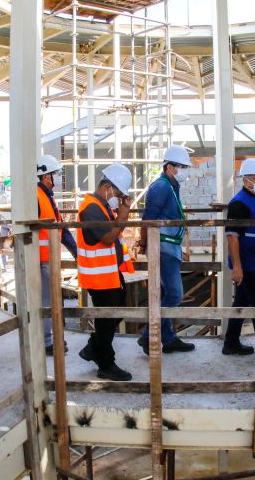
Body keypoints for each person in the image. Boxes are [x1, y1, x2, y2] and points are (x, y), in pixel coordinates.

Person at [76, 164, 135, 381]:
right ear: (108, 186)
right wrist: (123, 214)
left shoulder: (102, 206)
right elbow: (108, 238)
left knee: (116, 313)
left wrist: (122, 213)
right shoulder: (91, 208)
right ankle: (105, 363)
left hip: (109, 274)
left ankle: (93, 347)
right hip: (99, 277)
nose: (119, 198)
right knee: (106, 319)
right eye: (118, 193)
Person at [136, 145, 195, 355]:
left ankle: (168, 338)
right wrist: (144, 245)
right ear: (170, 167)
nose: (185, 171)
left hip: (170, 247)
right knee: (175, 294)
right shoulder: (161, 187)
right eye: (182, 167)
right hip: (163, 248)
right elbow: (148, 219)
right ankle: (147, 337)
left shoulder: (170, 186)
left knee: (169, 293)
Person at [223, 158, 255, 355]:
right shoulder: (239, 204)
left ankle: (231, 343)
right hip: (248, 265)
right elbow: (232, 237)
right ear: (246, 180)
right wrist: (237, 267)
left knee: (242, 303)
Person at [36, 154, 77, 356]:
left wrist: (77, 252)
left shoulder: (47, 197)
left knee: (52, 300)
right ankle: (46, 342)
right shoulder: (36, 196)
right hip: (41, 260)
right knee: (46, 302)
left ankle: (52, 338)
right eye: (56, 174)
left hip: (49, 259)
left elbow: (62, 229)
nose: (59, 177)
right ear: (45, 177)